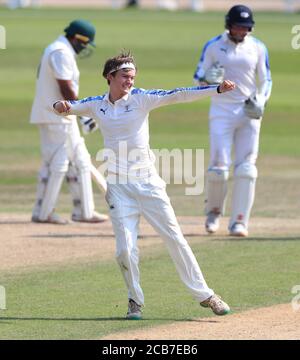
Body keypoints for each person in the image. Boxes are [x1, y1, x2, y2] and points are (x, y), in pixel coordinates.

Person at [53, 51, 235, 319]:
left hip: (149, 185)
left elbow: (178, 94)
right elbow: (68, 105)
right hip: (118, 188)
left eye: (132, 77)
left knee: (175, 238)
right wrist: (60, 106)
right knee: (124, 249)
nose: (130, 81)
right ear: (110, 77)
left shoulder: (141, 99)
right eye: (125, 76)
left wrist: (216, 89)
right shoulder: (96, 105)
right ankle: (134, 301)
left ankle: (206, 295)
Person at [193, 5, 272, 237]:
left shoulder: (257, 47)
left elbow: (266, 79)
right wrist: (208, 80)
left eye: (246, 28)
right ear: (229, 25)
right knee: (218, 167)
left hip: (248, 112)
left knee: (247, 168)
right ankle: (213, 212)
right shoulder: (214, 46)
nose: (242, 31)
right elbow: (197, 78)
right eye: (238, 27)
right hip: (221, 111)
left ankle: (239, 221)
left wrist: (260, 101)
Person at [30, 19, 108, 224]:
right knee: (59, 163)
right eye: (84, 43)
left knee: (81, 160)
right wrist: (83, 113)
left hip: (63, 114)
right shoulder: (60, 52)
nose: (84, 48)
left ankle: (84, 211)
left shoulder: (60, 50)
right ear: (76, 38)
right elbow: (65, 88)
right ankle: (44, 212)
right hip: (56, 115)